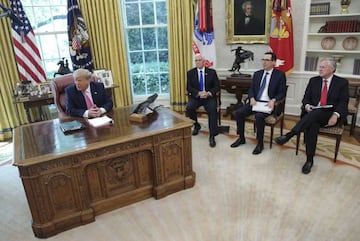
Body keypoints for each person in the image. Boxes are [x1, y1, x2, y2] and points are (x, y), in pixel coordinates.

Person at [275, 58, 349, 174]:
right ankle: (309, 160)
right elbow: (306, 98)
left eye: (323, 67)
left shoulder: (342, 83)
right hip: (313, 113)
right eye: (320, 67)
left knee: (317, 113)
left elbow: (343, 102)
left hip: (329, 114)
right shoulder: (313, 80)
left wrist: (335, 115)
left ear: (332, 69)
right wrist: (307, 105)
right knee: (312, 125)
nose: (319, 69)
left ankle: (290, 134)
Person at [230, 52, 287, 155]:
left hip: (268, 104)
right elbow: (251, 89)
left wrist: (274, 100)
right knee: (239, 112)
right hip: (256, 102)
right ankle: (241, 138)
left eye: (267, 60)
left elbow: (282, 92)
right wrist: (251, 98)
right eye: (263, 60)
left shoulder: (280, 75)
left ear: (273, 62)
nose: (264, 62)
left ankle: (260, 143)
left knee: (259, 116)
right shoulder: (257, 74)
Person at [186, 54, 220, 147]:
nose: (197, 62)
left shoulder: (212, 72)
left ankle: (212, 135)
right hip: (197, 97)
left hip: (208, 97)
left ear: (204, 62)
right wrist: (198, 93)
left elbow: (217, 86)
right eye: (196, 61)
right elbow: (189, 87)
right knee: (189, 108)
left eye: (199, 60)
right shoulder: (190, 73)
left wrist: (208, 93)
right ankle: (196, 125)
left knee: (212, 110)